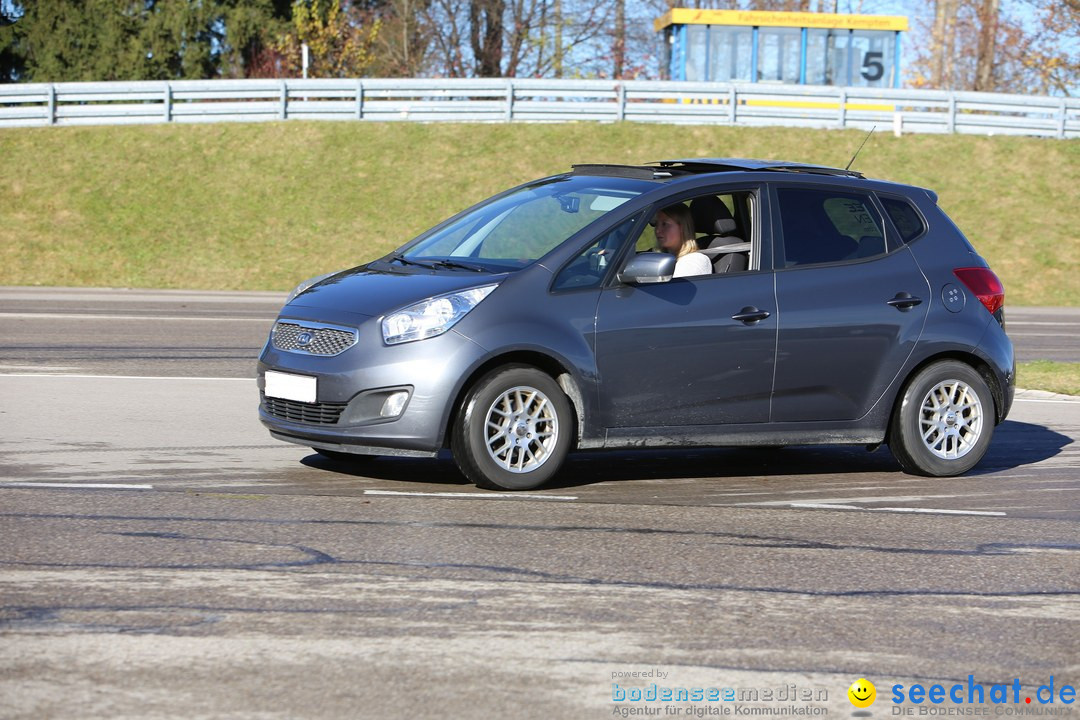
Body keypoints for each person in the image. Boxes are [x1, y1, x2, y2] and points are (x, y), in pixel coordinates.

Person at [653, 204, 712, 278]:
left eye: (664, 224)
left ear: (682, 227)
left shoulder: (694, 261)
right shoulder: (663, 259)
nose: (657, 230)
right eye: (656, 224)